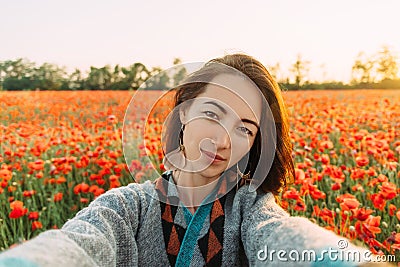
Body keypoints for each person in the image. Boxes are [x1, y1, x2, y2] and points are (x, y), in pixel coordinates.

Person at [0, 54, 379, 266]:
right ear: (183, 112)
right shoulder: (127, 207)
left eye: (246, 128)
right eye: (213, 114)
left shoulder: (251, 208)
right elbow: (81, 244)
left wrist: (341, 262)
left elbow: (283, 238)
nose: (224, 139)